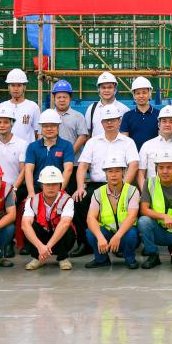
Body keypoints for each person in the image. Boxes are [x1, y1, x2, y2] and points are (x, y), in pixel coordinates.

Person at [74, 104, 139, 256]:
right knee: (79, 200)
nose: (109, 123)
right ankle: (85, 243)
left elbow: (134, 165)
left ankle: (121, 243)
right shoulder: (92, 142)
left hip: (120, 185)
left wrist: (125, 187)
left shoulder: (128, 142)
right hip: (97, 186)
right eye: (106, 120)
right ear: (101, 123)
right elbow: (82, 166)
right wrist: (80, 187)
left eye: (113, 120)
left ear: (119, 121)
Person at [85, 154, 142, 269]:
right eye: (110, 171)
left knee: (131, 234)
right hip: (107, 233)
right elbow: (90, 218)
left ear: (123, 172)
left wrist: (117, 236)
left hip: (125, 233)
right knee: (90, 232)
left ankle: (130, 259)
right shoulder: (98, 192)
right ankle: (101, 259)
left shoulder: (132, 191)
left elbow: (132, 217)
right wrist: (100, 237)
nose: (113, 174)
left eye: (117, 171)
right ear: (105, 173)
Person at [22, 166, 76, 271]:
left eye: (55, 184)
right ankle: (37, 258)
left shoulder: (67, 200)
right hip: (42, 237)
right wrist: (40, 247)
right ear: (42, 185)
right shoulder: (32, 200)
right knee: (30, 227)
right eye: (47, 184)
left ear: (60, 185)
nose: (51, 187)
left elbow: (65, 223)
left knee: (67, 228)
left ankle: (63, 258)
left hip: (59, 236)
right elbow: (25, 225)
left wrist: (47, 247)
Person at [0, 102, 30, 203]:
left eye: (6, 122)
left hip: (14, 187)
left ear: (12, 124)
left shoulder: (22, 144)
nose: (2, 125)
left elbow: (23, 171)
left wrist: (14, 189)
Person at [137, 105, 172, 188]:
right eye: (164, 121)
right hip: (152, 191)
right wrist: (146, 193)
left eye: (171, 121)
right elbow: (140, 173)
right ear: (159, 124)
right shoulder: (147, 146)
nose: (167, 124)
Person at [23, 108, 75, 197]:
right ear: (41, 128)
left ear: (58, 127)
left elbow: (68, 169)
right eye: (45, 126)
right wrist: (31, 192)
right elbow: (28, 170)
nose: (49, 129)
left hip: (59, 189)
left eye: (53, 126)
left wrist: (59, 192)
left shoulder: (67, 145)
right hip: (37, 190)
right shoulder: (32, 147)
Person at [119, 76, 160, 150]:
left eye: (144, 92)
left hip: (154, 155)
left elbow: (161, 139)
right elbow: (124, 142)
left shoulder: (159, 115)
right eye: (138, 93)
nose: (141, 96)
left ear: (150, 94)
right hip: (133, 156)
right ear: (134, 95)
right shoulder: (127, 116)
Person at [86, 71, 130, 138]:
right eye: (103, 87)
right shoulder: (92, 109)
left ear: (115, 89)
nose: (106, 90)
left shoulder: (124, 110)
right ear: (99, 89)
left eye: (109, 87)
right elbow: (88, 133)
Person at [50, 80, 89, 154]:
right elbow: (41, 136)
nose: (62, 100)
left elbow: (82, 137)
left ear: (70, 98)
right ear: (54, 98)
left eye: (65, 97)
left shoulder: (78, 116)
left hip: (73, 159)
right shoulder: (48, 116)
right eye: (59, 97)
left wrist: (69, 155)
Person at [4, 68, 41, 142]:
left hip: (27, 148)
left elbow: (38, 132)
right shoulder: (1, 107)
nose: (16, 89)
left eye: (19, 85)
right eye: (13, 85)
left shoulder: (33, 106)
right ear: (8, 87)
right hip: (6, 148)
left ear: (24, 87)